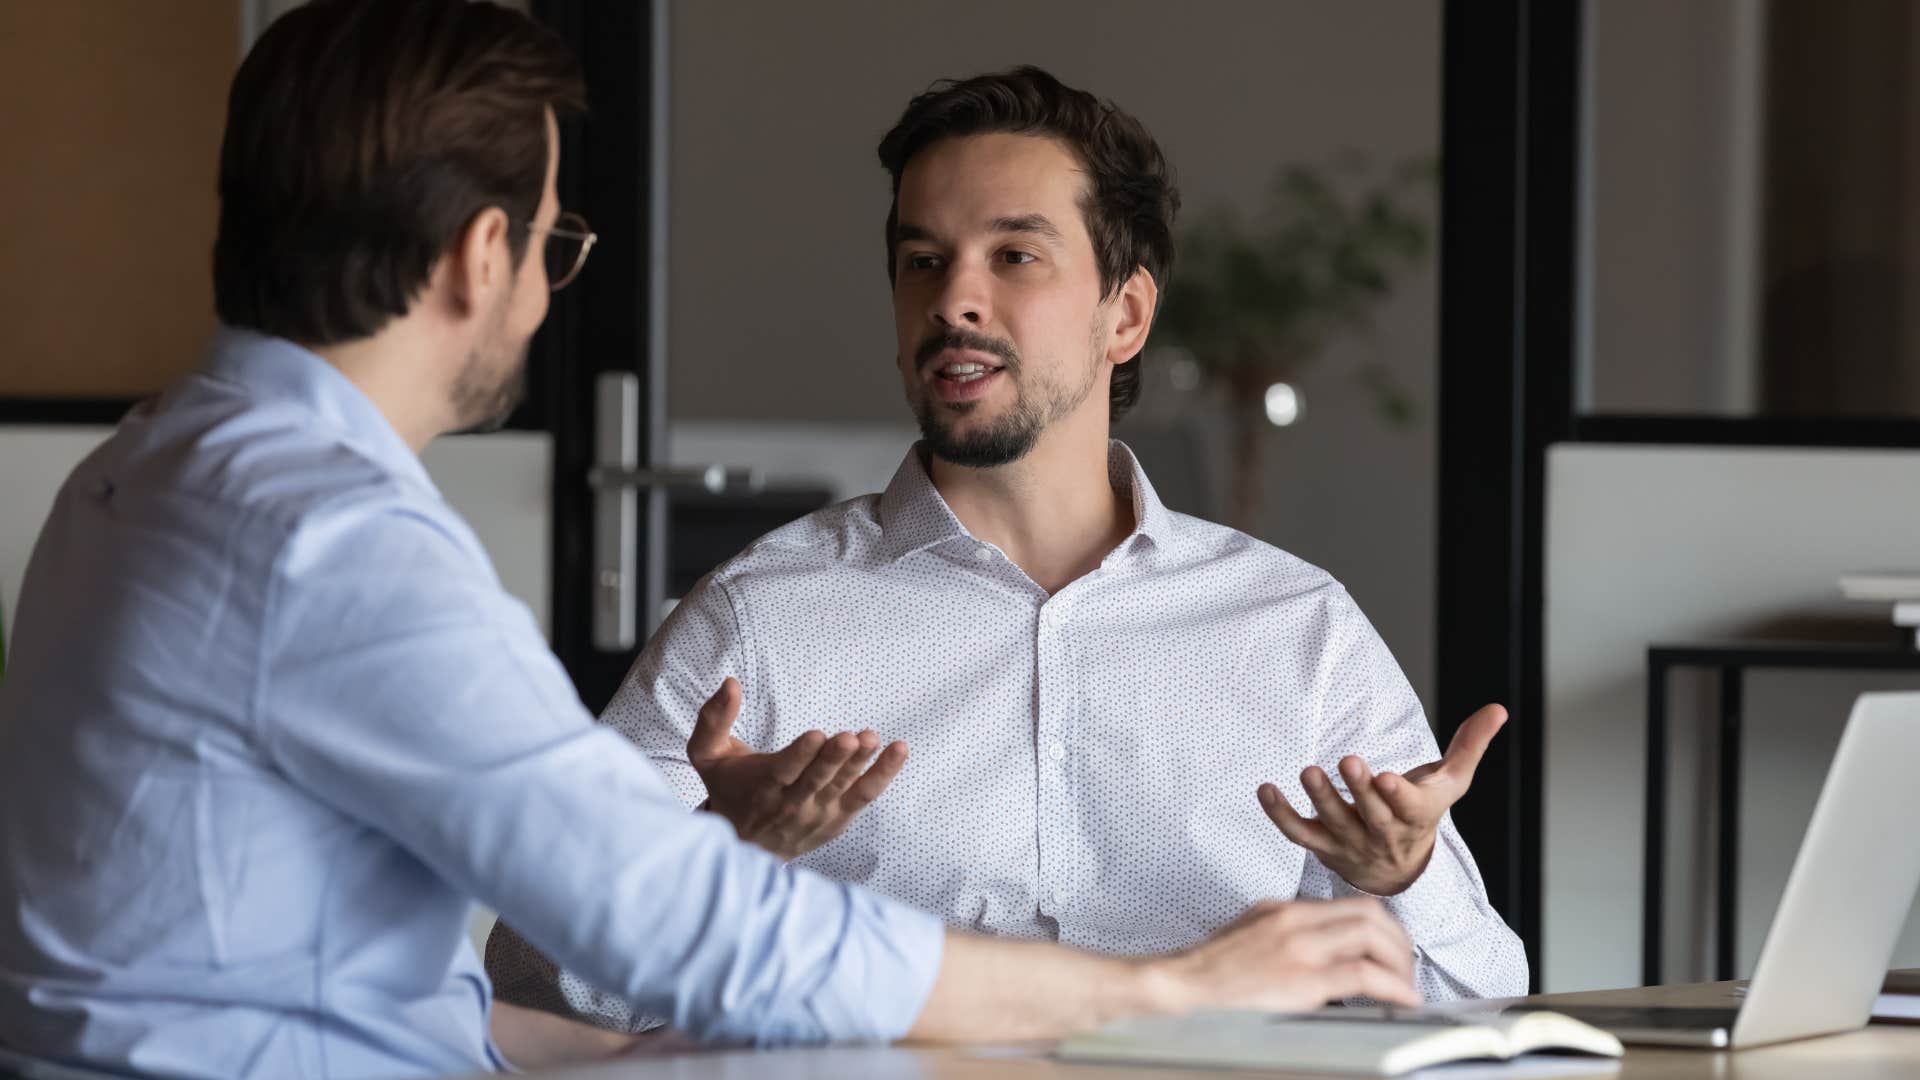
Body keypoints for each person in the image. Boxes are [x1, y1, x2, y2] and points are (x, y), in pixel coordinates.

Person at [0, 6, 1422, 1077]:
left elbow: (380, 991)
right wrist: (1163, 991)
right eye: (554, 245)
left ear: (1128, 311)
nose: (545, 296)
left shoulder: (142, 473)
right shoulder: (335, 546)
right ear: (481, 257)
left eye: (1015, 255)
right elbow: (662, 918)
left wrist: (642, 1048)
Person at [488, 66, 1527, 1033]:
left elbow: (1482, 1003)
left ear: (1126, 315)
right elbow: (536, 992)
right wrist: (719, 856)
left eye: (1014, 256)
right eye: (922, 262)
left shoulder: (1298, 629)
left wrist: (1404, 874)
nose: (953, 299)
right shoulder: (758, 620)